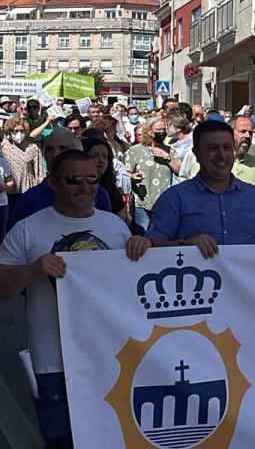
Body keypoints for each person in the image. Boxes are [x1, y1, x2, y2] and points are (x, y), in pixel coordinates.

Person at [0, 149, 151, 448]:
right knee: (62, 440)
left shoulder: (115, 227)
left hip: (112, 355)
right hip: (54, 360)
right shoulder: (28, 229)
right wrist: (33, 270)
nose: (85, 188)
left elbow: (132, 286)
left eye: (92, 180)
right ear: (53, 182)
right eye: (74, 180)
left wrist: (142, 248)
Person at [147, 120, 255, 258]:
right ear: (196, 153)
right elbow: (151, 247)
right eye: (212, 148)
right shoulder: (174, 198)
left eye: (227, 148)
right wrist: (185, 245)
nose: (221, 155)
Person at [9, 130, 114, 228]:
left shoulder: (97, 194)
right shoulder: (30, 199)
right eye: (50, 149)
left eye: (63, 148)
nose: (55, 155)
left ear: (78, 152)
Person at [125, 118, 176, 231]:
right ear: (149, 131)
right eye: (158, 129)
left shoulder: (169, 150)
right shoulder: (135, 151)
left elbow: (180, 171)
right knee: (144, 234)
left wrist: (167, 158)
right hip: (142, 202)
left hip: (165, 203)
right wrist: (133, 176)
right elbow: (125, 173)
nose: (161, 132)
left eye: (164, 129)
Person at [1, 117, 44, 214]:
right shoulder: (4, 148)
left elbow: (39, 171)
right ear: (9, 131)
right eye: (15, 131)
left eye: (21, 131)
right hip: (9, 192)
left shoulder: (33, 148)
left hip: (27, 190)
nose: (19, 134)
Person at [82, 137, 129, 221]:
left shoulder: (112, 190)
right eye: (95, 156)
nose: (100, 160)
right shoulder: (77, 188)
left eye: (104, 156)